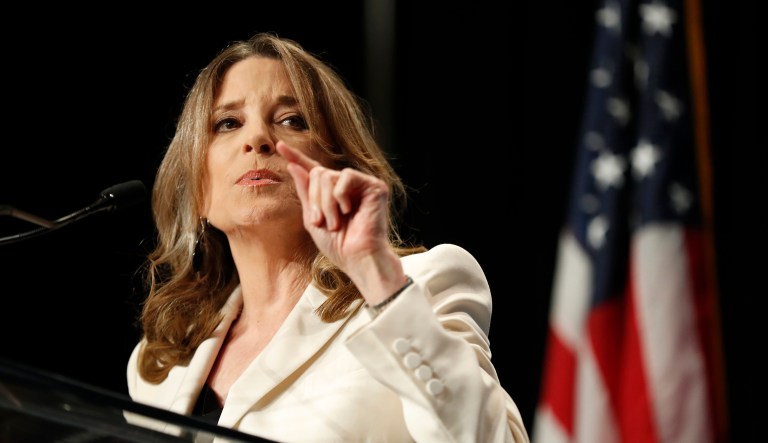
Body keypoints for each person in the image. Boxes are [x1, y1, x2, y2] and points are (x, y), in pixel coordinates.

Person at [125, 31, 529, 442]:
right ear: (197, 188)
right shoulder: (160, 364)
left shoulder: (420, 286)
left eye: (291, 120)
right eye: (227, 123)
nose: (258, 139)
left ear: (338, 164)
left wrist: (379, 280)